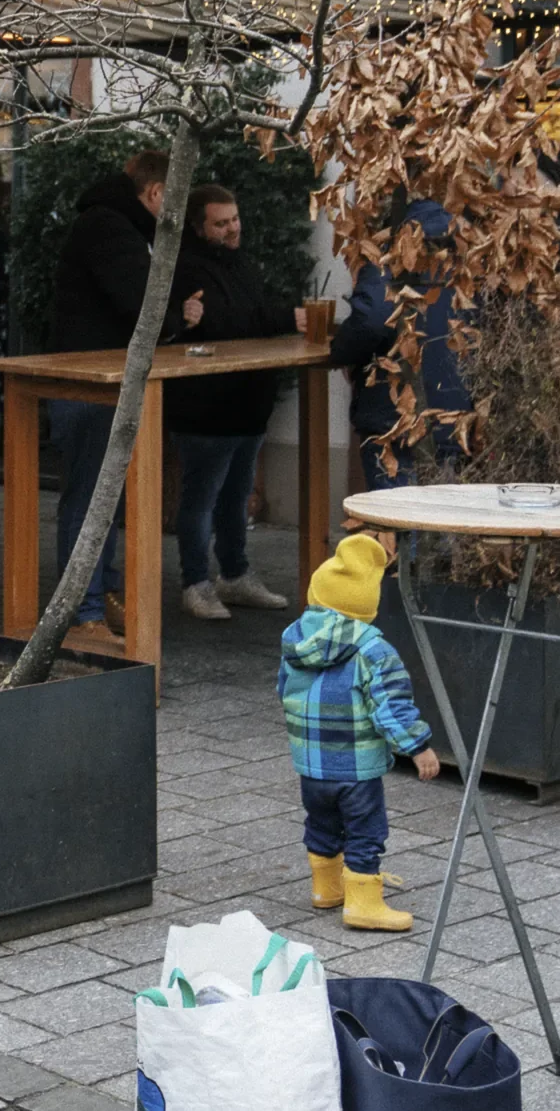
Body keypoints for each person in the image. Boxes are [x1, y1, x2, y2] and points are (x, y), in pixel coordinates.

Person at [46, 150, 200, 629]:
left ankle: (99, 597)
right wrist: (178, 319)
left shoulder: (114, 225)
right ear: (155, 193)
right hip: (88, 382)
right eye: (173, 200)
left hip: (101, 377)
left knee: (102, 496)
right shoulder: (112, 227)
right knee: (91, 496)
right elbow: (140, 302)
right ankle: (82, 612)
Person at [279, 534, 441, 931]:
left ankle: (327, 888)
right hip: (356, 767)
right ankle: (364, 902)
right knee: (366, 830)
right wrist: (418, 746)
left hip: (311, 764)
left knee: (320, 822)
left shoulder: (296, 640)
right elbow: (392, 705)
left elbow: (282, 690)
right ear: (366, 605)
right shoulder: (373, 650)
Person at [168, 184, 300, 622]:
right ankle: (196, 583)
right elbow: (227, 324)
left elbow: (251, 315)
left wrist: (281, 318)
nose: (232, 229)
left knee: (236, 496)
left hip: (246, 403)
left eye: (235, 219)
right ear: (199, 227)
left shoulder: (240, 263)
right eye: (221, 223)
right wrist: (286, 318)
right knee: (201, 498)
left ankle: (235, 574)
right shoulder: (187, 268)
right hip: (206, 408)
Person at [331, 200, 469, 490]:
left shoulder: (391, 260)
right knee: (443, 523)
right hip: (452, 415)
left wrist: (341, 352)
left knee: (396, 523)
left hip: (393, 418)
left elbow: (370, 320)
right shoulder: (464, 258)